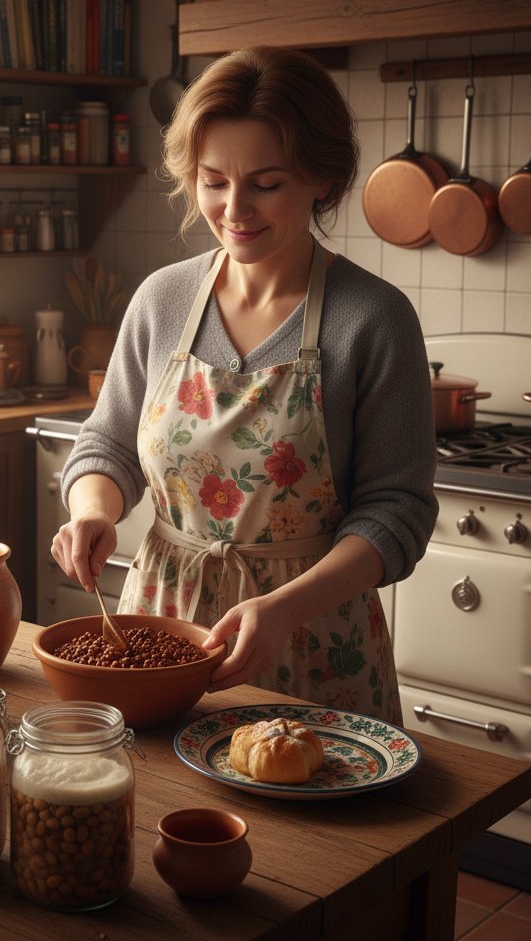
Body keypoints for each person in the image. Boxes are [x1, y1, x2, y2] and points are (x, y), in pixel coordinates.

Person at [51, 46, 437, 723]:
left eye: (265, 183)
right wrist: (92, 512)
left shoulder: (374, 319)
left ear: (322, 178)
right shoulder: (163, 299)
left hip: (315, 642)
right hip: (159, 636)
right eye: (212, 180)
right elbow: (106, 444)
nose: (234, 208)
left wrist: (285, 609)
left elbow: (396, 515)